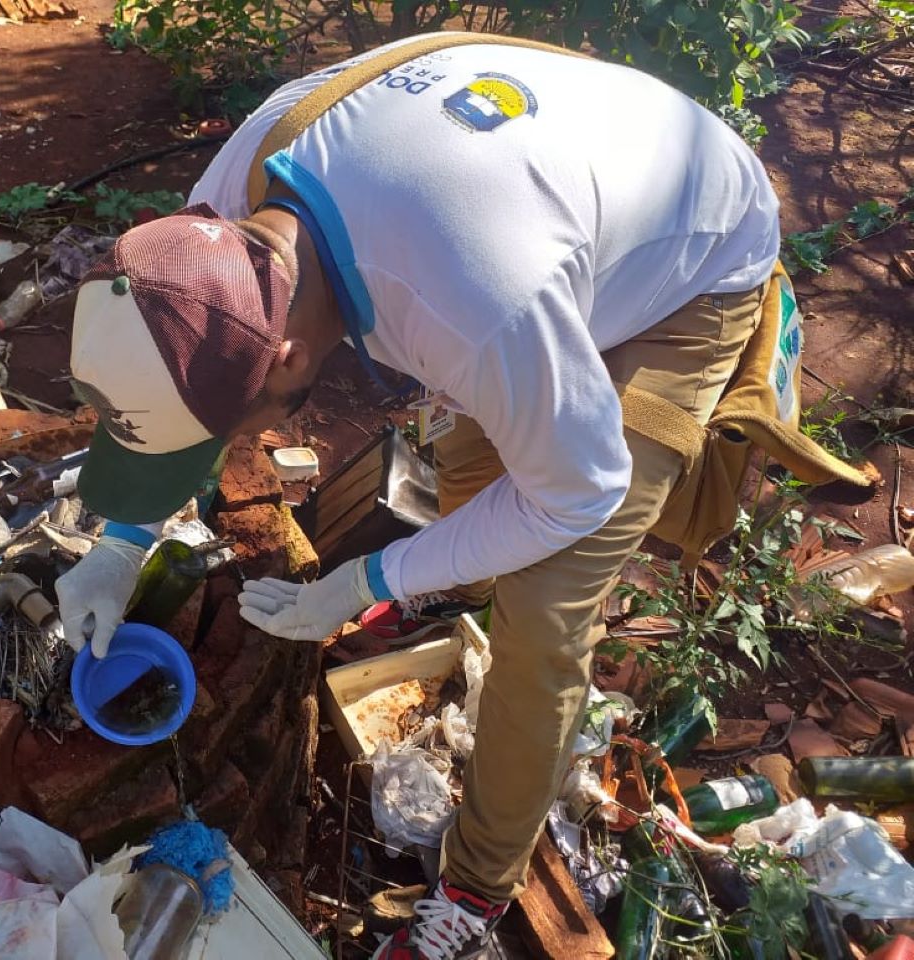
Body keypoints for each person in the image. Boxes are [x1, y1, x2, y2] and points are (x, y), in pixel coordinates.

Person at [56, 33, 781, 960]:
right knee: (478, 486)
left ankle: (477, 890)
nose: (232, 447)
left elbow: (579, 493)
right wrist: (119, 545)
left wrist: (366, 581)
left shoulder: (477, 306)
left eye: (236, 429)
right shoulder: (213, 228)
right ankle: (459, 597)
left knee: (546, 604)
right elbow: (194, 383)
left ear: (288, 357)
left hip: (695, 255)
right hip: (550, 205)